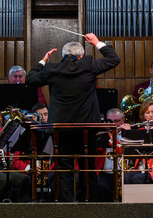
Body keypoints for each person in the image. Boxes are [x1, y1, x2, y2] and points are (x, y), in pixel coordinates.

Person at [25, 32, 120, 201]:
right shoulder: (89, 64)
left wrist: (43, 61)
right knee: (87, 168)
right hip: (87, 130)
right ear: (81, 55)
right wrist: (96, 42)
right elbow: (114, 59)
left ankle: (66, 207)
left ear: (62, 56)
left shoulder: (52, 69)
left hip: (61, 131)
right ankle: (88, 203)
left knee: (63, 169)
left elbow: (30, 79)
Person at [96, 108, 128, 202]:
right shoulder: (100, 134)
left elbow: (127, 152)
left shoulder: (128, 133)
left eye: (117, 121)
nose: (113, 124)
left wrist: (129, 133)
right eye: (110, 121)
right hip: (105, 173)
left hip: (123, 174)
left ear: (123, 120)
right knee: (100, 185)